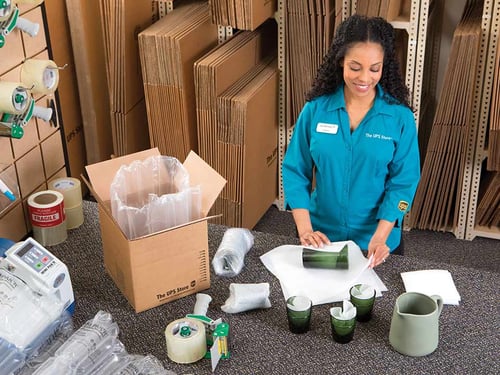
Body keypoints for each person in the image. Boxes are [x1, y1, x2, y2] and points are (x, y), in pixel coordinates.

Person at [282, 15, 420, 268]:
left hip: (376, 243)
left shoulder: (399, 118)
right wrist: (304, 229)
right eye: (355, 67)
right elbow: (295, 170)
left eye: (374, 69)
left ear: (384, 66)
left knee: (372, 305)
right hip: (321, 238)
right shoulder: (316, 110)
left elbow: (404, 183)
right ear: (341, 61)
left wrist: (380, 237)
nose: (364, 78)